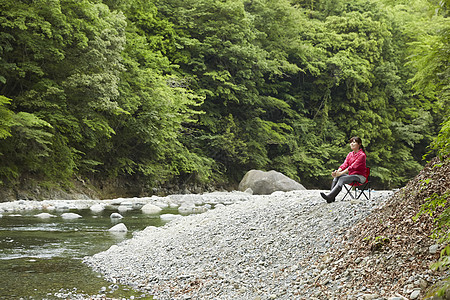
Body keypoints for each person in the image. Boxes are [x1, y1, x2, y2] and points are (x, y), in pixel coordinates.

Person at [320, 136, 367, 203]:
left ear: (359, 144)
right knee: (337, 177)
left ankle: (330, 196)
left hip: (360, 177)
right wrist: (337, 172)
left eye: (354, 142)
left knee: (342, 178)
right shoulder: (350, 154)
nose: (352, 144)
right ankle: (331, 198)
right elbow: (344, 164)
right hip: (351, 176)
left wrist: (341, 173)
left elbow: (352, 167)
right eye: (351, 142)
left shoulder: (362, 155)